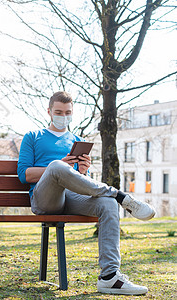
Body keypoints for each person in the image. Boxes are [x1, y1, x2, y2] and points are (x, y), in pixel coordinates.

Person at [17, 91, 156, 295]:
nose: (63, 116)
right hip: (45, 199)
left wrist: (82, 171)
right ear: (48, 111)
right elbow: (24, 175)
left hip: (72, 197)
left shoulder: (77, 140)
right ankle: (120, 195)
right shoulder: (33, 137)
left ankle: (109, 277)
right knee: (56, 166)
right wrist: (56, 167)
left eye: (67, 112)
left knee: (107, 204)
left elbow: (82, 183)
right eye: (58, 112)